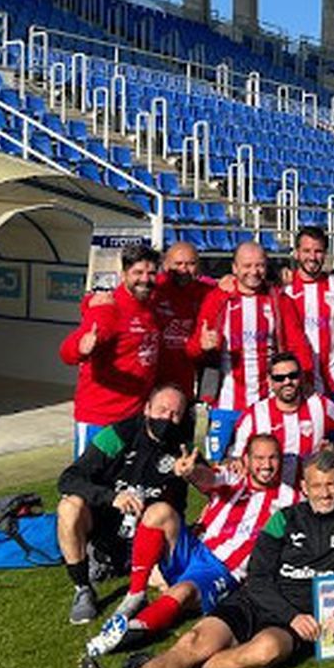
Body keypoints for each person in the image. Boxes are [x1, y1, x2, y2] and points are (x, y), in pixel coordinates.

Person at [78, 449, 334, 668]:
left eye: (332, 484)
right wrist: (291, 615)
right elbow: (258, 579)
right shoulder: (283, 520)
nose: (325, 493)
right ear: (304, 486)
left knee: (265, 652)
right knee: (194, 641)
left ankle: (172, 664)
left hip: (298, 622)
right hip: (256, 601)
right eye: (317, 485)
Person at [84, 433, 297, 656]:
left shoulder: (290, 500)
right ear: (246, 460)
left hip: (222, 570)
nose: (266, 465)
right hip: (194, 548)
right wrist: (191, 471)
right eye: (259, 458)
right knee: (159, 512)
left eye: (272, 458)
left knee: (183, 592)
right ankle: (135, 594)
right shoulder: (234, 477)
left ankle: (127, 632)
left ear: (281, 460)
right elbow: (208, 478)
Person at [55, 384, 191, 624]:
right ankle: (82, 588)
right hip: (105, 525)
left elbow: (213, 485)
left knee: (179, 588)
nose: (168, 419)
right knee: (69, 507)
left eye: (175, 414)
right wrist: (111, 498)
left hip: (148, 537)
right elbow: (69, 478)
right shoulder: (117, 434)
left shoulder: (182, 447)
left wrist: (197, 473)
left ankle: (142, 614)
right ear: (147, 409)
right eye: (162, 410)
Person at [59, 242, 162, 457]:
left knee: (122, 485)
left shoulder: (151, 306)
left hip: (133, 417)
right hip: (100, 417)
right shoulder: (108, 308)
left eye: (151, 273)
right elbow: (66, 352)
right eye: (138, 272)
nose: (145, 279)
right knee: (86, 484)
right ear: (124, 273)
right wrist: (81, 347)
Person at [189, 241, 288, 459]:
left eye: (260, 265)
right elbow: (193, 349)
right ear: (234, 268)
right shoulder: (218, 299)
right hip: (225, 403)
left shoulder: (276, 300)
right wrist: (202, 347)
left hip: (266, 403)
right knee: (218, 471)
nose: (254, 271)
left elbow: (294, 345)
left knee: (265, 467)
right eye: (247, 265)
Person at [228, 351, 334, 487]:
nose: (287, 382)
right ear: (270, 381)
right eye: (279, 378)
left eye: (292, 376)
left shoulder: (318, 404)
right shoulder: (255, 414)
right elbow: (237, 458)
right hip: (272, 491)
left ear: (301, 377)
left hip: (312, 489)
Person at [278, 225, 334, 413]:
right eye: (306, 251)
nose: (312, 257)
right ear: (296, 253)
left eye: (318, 251)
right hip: (298, 383)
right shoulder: (282, 290)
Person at [149, 241, 214, 399]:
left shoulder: (206, 292)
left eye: (190, 264)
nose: (184, 269)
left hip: (185, 376)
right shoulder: (152, 289)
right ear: (165, 264)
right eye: (178, 263)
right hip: (151, 377)